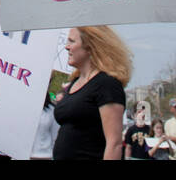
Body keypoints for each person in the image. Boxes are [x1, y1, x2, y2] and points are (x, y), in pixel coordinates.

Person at [52, 26, 129, 159]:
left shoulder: (107, 84)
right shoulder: (74, 82)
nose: (66, 47)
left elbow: (114, 143)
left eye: (72, 41)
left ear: (89, 46)